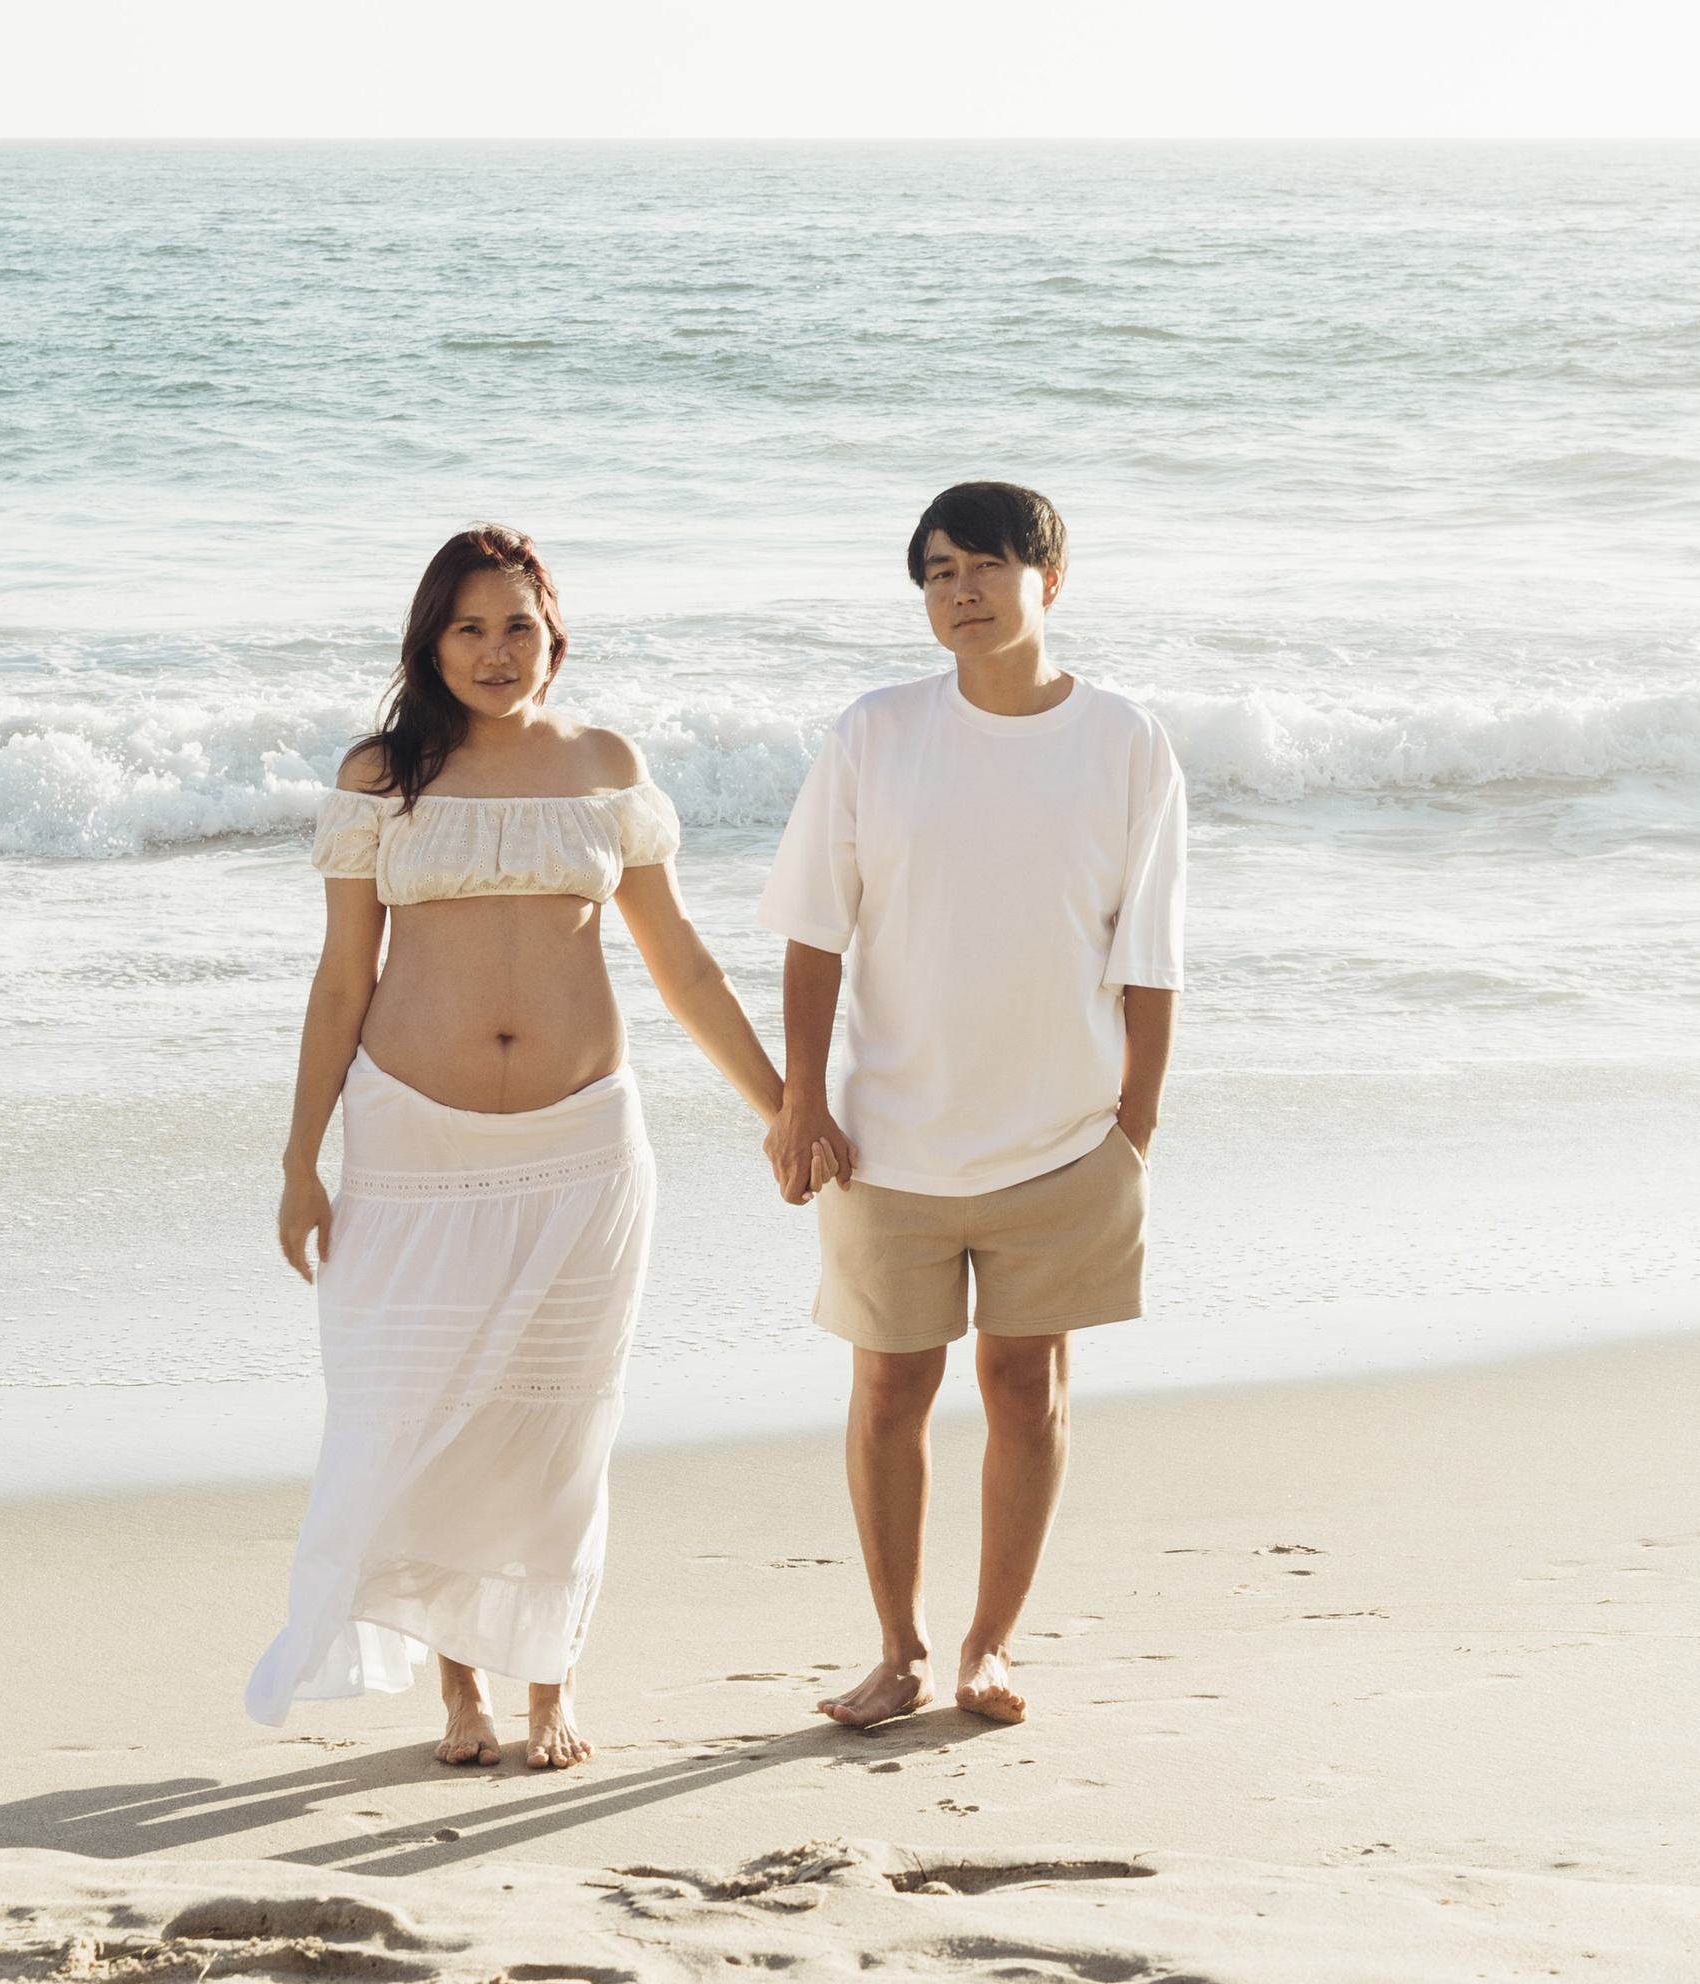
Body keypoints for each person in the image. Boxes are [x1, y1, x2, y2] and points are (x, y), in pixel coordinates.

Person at [247, 523, 786, 1772]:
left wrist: (779, 1105)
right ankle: (461, 1696)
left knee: (556, 1423)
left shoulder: (603, 764)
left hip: (583, 1144)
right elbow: (341, 983)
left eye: (518, 628)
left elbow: (682, 963)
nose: (496, 652)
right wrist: (295, 1161)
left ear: (556, 638)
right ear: (431, 641)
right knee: (427, 1409)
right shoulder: (384, 774)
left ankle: (550, 1688)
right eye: (469, 628)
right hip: (409, 1142)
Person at [758, 480, 1185, 1731]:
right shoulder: (876, 734)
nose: (961, 592)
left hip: (1061, 1137)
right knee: (888, 1391)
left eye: (985, 567)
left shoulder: (1123, 741)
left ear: (1048, 580)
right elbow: (810, 934)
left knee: (1022, 1386)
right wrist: (799, 1102)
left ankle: (987, 1650)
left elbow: (1148, 950)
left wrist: (1135, 1124)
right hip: (887, 1137)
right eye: (938, 572)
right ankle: (896, 1650)